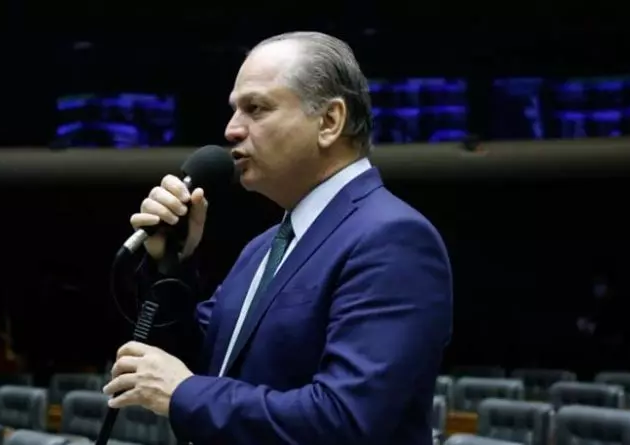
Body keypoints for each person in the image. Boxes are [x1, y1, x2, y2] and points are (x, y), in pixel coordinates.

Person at [103, 31, 453, 445]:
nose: (231, 130)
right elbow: (204, 362)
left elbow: (345, 421)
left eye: (256, 108)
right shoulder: (265, 247)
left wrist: (183, 393)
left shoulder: (392, 239)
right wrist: (172, 263)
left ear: (329, 121)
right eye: (234, 110)